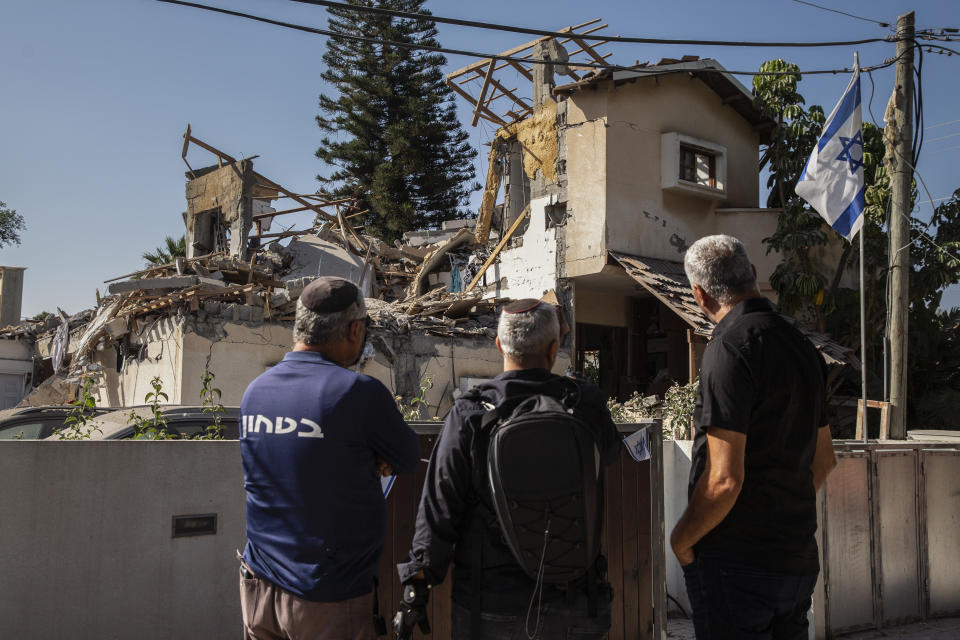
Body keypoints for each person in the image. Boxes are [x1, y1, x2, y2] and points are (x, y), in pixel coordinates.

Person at [396, 299, 620, 639]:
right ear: (554, 348)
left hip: (491, 603)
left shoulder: (470, 413)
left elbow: (440, 506)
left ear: (499, 344)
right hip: (576, 600)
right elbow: (612, 452)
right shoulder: (584, 405)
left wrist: (418, 582)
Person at [670, 235, 838, 640]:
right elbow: (824, 459)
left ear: (699, 294)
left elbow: (725, 479)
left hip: (737, 564)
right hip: (795, 556)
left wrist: (681, 540)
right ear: (754, 275)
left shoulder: (729, 348)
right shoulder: (803, 348)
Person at [238, 276, 421, 640]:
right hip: (325, 597)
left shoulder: (255, 392)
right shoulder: (358, 392)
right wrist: (373, 457)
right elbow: (407, 457)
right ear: (354, 329)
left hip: (258, 588)